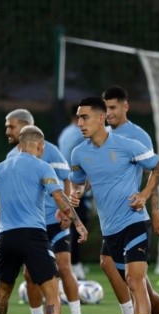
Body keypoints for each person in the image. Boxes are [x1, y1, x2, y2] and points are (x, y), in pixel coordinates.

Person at [69, 96, 159, 314]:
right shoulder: (78, 153)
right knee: (145, 291)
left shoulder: (127, 144)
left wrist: (145, 195)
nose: (79, 123)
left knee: (135, 282)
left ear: (100, 118)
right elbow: (79, 182)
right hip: (110, 231)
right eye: (78, 117)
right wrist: (76, 193)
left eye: (84, 117)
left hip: (135, 222)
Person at [0, 124, 87, 314]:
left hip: (6, 237)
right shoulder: (42, 166)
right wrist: (77, 223)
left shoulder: (0, 167)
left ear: (19, 144)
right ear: (40, 145)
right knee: (52, 289)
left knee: (2, 290)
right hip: (33, 235)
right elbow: (59, 197)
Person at [4, 109, 86, 314]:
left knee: (64, 267)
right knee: (29, 275)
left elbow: (67, 179)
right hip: (32, 226)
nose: (7, 131)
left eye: (11, 126)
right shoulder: (11, 157)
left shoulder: (49, 150)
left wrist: (67, 212)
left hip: (55, 221)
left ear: (25, 127)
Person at [100, 86, 159, 314]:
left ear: (125, 107)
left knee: (132, 279)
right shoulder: (103, 135)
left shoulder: (137, 136)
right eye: (105, 108)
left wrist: (155, 210)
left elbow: (153, 171)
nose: (108, 113)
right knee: (133, 281)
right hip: (113, 220)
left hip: (132, 217)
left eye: (113, 108)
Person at [57, 104, 88, 280]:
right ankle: (74, 266)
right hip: (74, 187)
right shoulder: (79, 134)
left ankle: (70, 265)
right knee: (77, 226)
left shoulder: (65, 133)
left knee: (70, 226)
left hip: (65, 185)